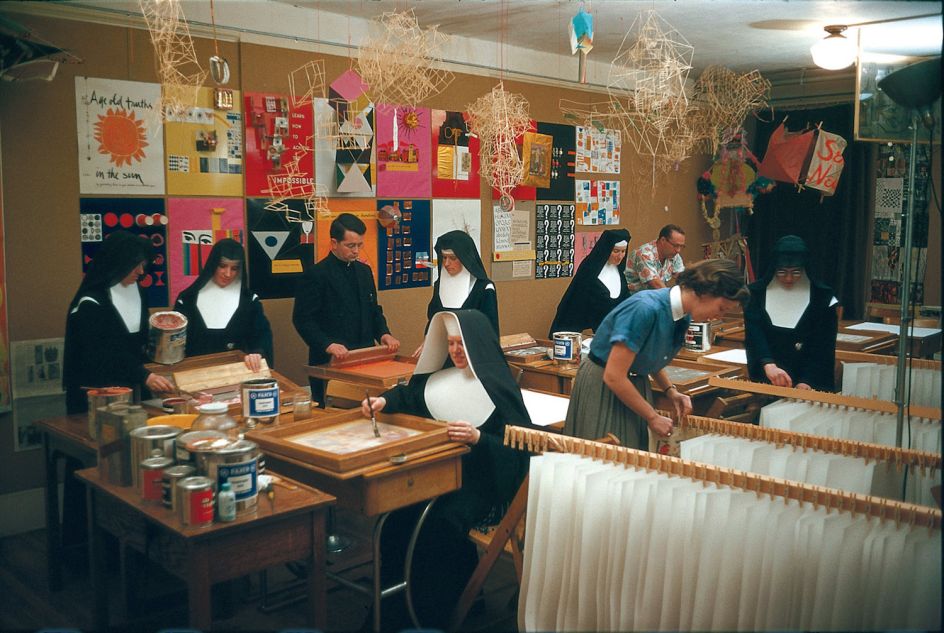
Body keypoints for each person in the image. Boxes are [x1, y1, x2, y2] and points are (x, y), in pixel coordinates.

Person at [360, 310, 535, 630]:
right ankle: (394, 611)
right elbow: (408, 394)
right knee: (396, 520)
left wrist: (479, 437)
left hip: (482, 482)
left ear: (477, 346)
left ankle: (436, 613)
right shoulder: (435, 379)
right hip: (437, 475)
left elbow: (520, 448)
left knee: (440, 525)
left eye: (462, 344)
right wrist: (384, 402)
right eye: (451, 344)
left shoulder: (497, 386)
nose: (455, 351)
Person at [565, 259, 750, 448]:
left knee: (633, 453)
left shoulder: (682, 313)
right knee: (605, 455)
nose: (719, 317)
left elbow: (650, 356)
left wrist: (671, 391)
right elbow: (613, 376)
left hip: (632, 382)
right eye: (721, 309)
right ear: (705, 292)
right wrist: (652, 416)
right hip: (605, 383)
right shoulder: (645, 308)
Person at [293, 213, 400, 405]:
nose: (356, 251)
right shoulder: (316, 275)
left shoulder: (364, 272)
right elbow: (302, 319)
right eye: (351, 246)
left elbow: (374, 310)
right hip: (330, 361)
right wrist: (328, 344)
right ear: (334, 243)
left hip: (364, 359)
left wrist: (384, 334)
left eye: (360, 245)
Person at [63, 230, 175, 413]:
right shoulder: (90, 302)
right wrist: (144, 375)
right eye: (134, 265)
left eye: (143, 265)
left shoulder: (139, 292)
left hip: (136, 390)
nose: (141, 271)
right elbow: (103, 352)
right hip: (99, 395)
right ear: (117, 263)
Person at [744, 235, 839, 391]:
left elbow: (824, 347)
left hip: (809, 381)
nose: (788, 278)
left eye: (795, 272)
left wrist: (807, 380)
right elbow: (755, 336)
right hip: (769, 379)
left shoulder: (823, 298)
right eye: (782, 272)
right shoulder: (755, 295)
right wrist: (768, 365)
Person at [173, 238, 273, 371]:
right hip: (195, 374)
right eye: (222, 266)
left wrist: (257, 353)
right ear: (212, 264)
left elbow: (262, 336)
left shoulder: (249, 301)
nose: (228, 274)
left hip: (236, 374)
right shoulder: (187, 299)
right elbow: (174, 344)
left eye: (234, 268)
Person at [416, 230, 498, 356]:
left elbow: (489, 331)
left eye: (453, 258)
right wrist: (428, 340)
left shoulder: (484, 288)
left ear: (465, 258)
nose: (446, 263)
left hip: (472, 356)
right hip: (441, 354)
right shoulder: (439, 285)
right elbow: (434, 318)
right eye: (444, 257)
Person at [548, 228, 630, 336]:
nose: (620, 256)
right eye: (616, 251)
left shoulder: (619, 272)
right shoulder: (590, 269)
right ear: (607, 249)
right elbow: (575, 303)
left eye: (623, 251)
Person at [623, 223, 686, 294]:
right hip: (634, 298)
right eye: (675, 245)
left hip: (653, 296)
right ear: (663, 240)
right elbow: (656, 284)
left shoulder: (674, 255)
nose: (678, 250)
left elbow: (682, 277)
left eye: (681, 246)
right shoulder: (645, 254)